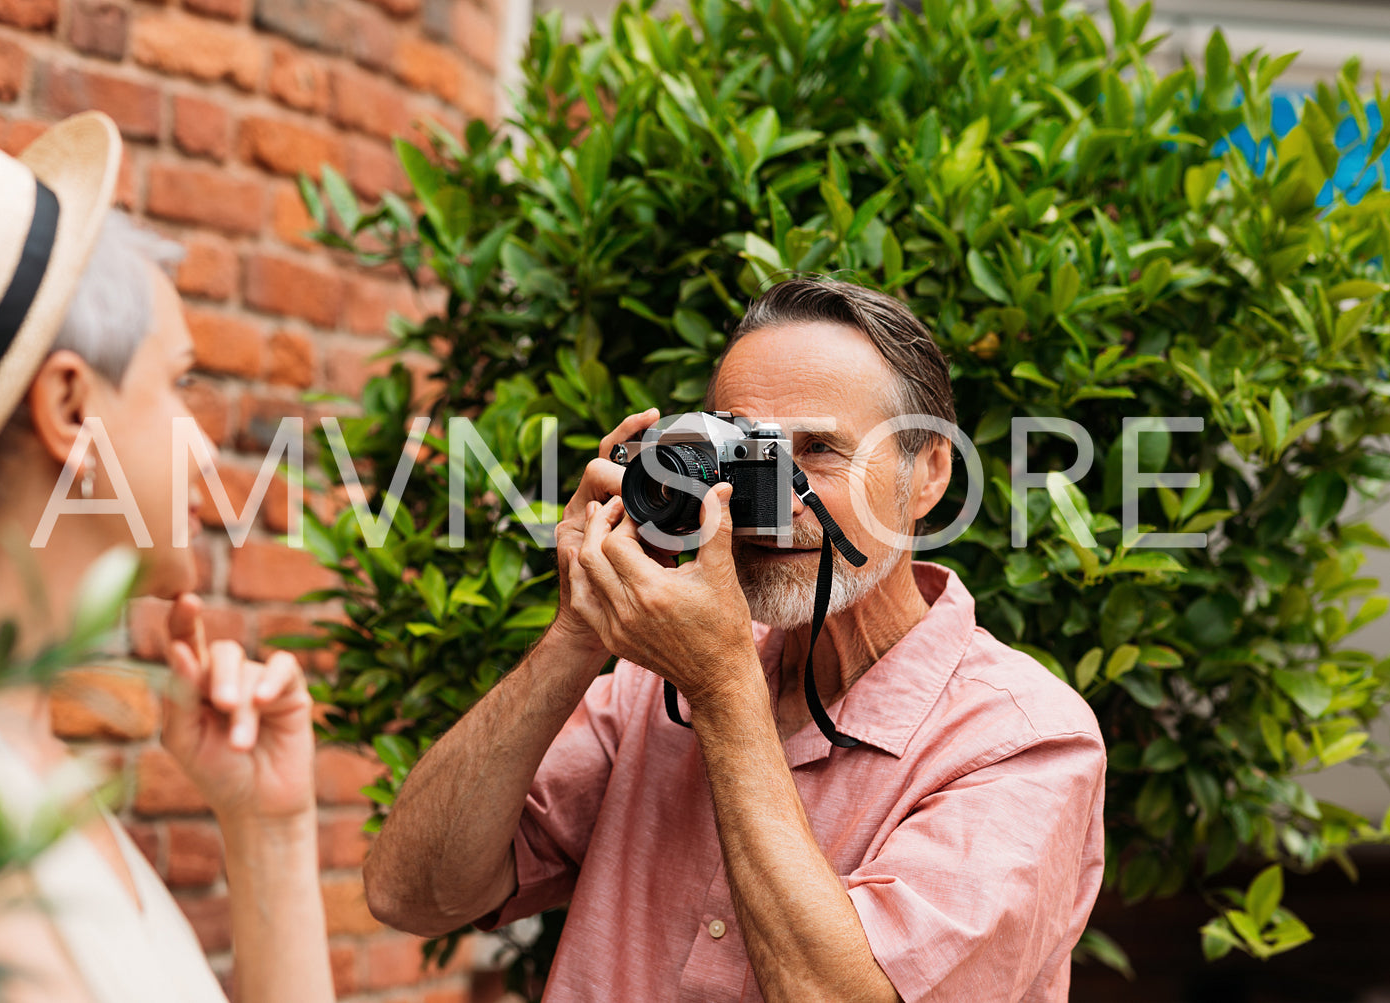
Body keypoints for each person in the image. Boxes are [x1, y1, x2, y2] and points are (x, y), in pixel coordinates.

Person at [363, 279, 1108, 1002]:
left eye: (816, 450)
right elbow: (411, 892)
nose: (772, 501)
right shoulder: (651, 684)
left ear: (928, 474)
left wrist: (723, 690)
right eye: (746, 453)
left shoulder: (1022, 740)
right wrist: (577, 629)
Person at [0, 113, 334, 1002]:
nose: (208, 453)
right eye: (178, 384)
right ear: (69, 409)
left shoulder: (20, 768)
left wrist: (268, 830)